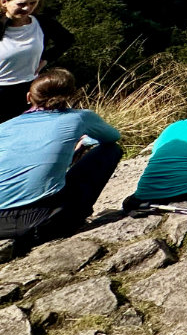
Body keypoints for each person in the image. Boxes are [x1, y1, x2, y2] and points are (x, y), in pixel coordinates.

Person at [0, 68, 123, 249]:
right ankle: (77, 215)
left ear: (28, 97)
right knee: (111, 150)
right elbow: (112, 137)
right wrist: (84, 141)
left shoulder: (5, 127)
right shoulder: (80, 117)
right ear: (71, 95)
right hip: (43, 221)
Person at [0, 0, 75, 125]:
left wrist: (46, 59)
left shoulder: (42, 23)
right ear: (4, 2)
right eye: (21, 4)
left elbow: (66, 40)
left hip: (29, 89)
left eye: (32, 3)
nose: (27, 8)